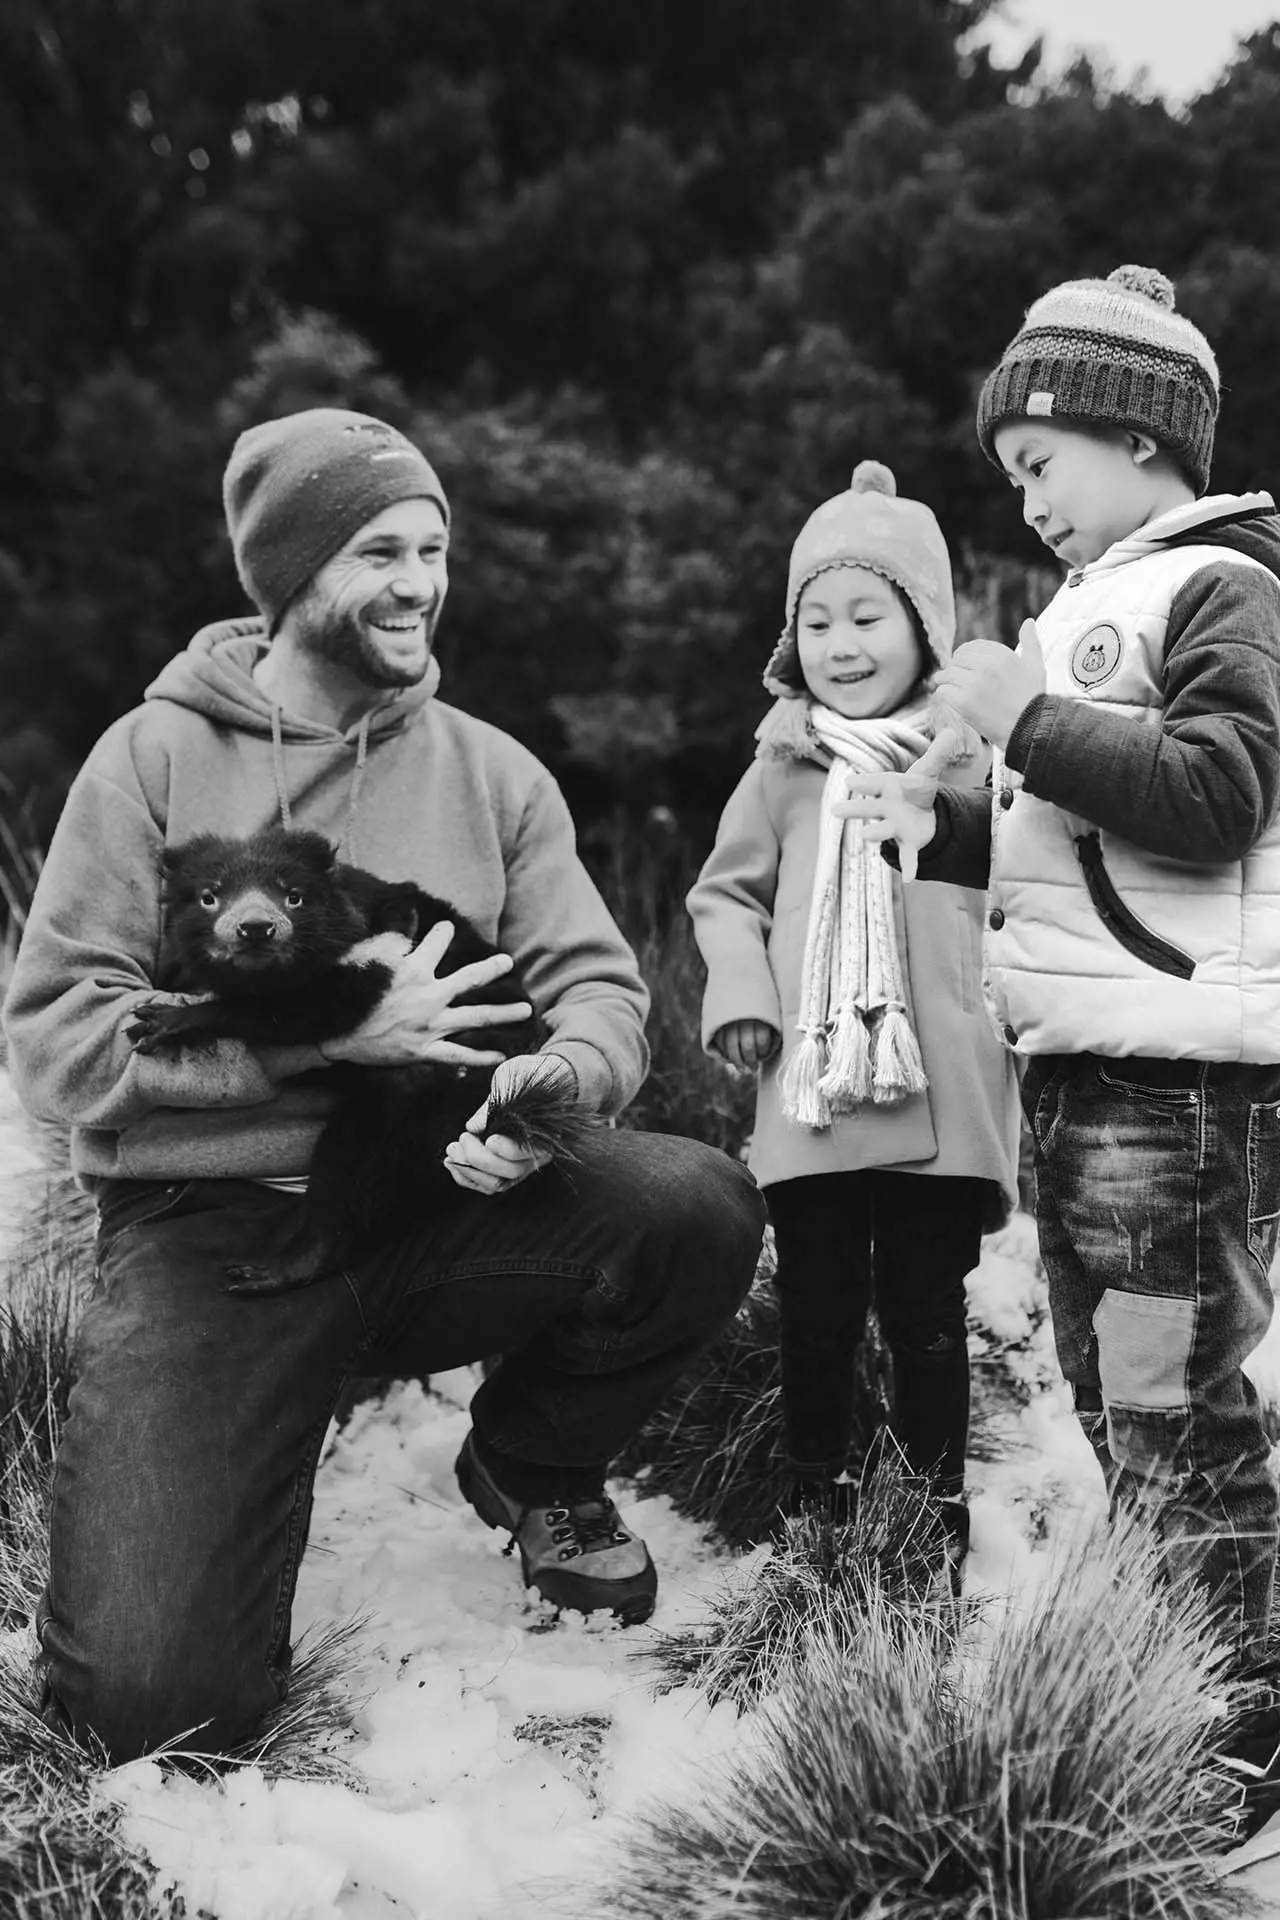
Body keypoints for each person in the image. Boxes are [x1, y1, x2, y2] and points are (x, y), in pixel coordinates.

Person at [1, 406, 766, 1763]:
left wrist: (546, 1088)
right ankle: (245, 1418)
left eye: (433, 547)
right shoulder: (153, 760)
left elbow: (604, 992)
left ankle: (529, 1462)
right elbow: (59, 1037)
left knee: (695, 1204)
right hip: (208, 1237)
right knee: (147, 1699)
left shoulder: (491, 772)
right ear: (294, 577)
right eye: (379, 551)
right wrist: (313, 1049)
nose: (420, 581)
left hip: (438, 1196)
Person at [836, 265, 1280, 1689]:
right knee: (1108, 1385)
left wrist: (1025, 714)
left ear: (1136, 434)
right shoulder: (1096, 600)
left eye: (1038, 462)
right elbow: (1077, 851)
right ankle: (1182, 1641)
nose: (1024, 499)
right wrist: (952, 831)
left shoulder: (1224, 586)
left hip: (1181, 1078)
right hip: (1088, 1065)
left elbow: (1222, 794)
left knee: (1173, 1399)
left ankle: (1234, 1702)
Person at [686, 460, 1021, 1546]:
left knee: (926, 1314)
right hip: (817, 1081)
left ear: (925, 625)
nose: (841, 643)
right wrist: (741, 990)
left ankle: (934, 1506)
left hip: (941, 1083)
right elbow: (721, 896)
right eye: (816, 619)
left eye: (867, 615)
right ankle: (810, 1490)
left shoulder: (971, 763)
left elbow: (1014, 888)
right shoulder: (779, 767)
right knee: (817, 1311)